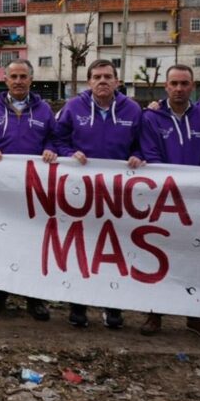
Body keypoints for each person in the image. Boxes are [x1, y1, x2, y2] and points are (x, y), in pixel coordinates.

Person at [55, 59, 144, 330]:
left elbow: (144, 145)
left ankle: (112, 307)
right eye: (97, 76)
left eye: (108, 76)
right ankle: (78, 305)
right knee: (81, 249)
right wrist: (70, 154)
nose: (102, 81)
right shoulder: (73, 107)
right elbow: (58, 140)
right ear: (89, 82)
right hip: (81, 192)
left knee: (114, 252)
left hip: (119, 194)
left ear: (117, 81)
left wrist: (138, 156)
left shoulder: (133, 110)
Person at [138, 64, 200, 340]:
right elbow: (150, 153)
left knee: (193, 257)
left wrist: (198, 185)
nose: (179, 88)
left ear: (192, 85)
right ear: (166, 86)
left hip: (196, 200)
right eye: (174, 83)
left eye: (184, 83)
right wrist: (172, 183)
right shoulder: (151, 118)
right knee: (157, 256)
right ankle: (154, 313)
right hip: (162, 198)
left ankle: (194, 316)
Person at [0, 59, 57, 321]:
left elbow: (54, 139)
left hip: (34, 191)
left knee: (33, 245)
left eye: (23, 76)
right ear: (6, 80)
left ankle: (35, 299)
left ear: (31, 80)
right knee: (0, 244)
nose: (19, 81)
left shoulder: (45, 110)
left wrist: (51, 149)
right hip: (1, 191)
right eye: (14, 76)